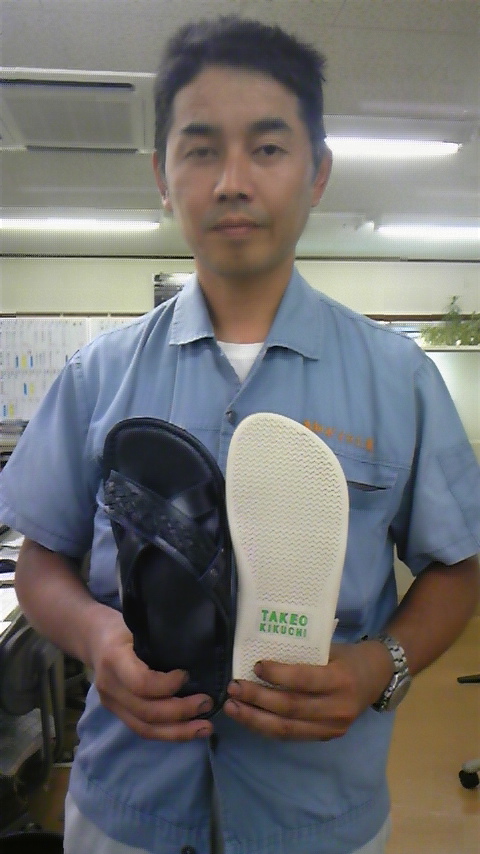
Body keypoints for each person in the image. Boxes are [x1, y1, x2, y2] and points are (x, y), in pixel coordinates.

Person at [0, 15, 479, 854]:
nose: (231, 180)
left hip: (319, 820)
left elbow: (458, 567)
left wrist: (382, 666)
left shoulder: (398, 380)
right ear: (162, 175)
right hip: (127, 814)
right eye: (199, 149)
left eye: (266, 147)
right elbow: (42, 559)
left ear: (317, 171)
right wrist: (94, 636)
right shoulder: (96, 376)